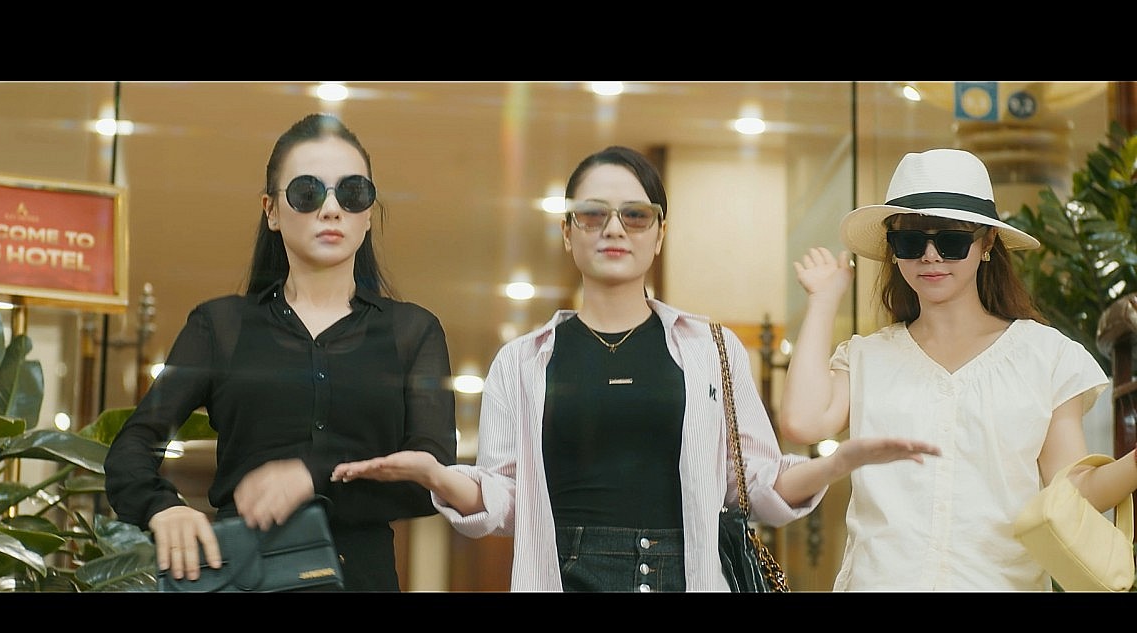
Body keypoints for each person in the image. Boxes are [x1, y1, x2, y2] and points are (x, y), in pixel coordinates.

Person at [331, 145, 938, 592]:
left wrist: (836, 463)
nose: (614, 229)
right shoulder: (523, 361)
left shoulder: (713, 348)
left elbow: (754, 486)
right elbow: (504, 498)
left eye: (636, 215)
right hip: (564, 576)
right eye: (592, 215)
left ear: (660, 233)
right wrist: (436, 476)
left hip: (687, 576)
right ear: (568, 233)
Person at [104, 113, 457, 592]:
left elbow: (432, 473)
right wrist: (162, 508)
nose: (331, 209)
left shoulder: (412, 332)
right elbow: (132, 446)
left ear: (369, 213)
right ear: (271, 210)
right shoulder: (221, 327)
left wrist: (315, 476)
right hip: (244, 578)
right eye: (307, 192)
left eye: (352, 193)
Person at [779, 147, 1137, 591]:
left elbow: (1073, 491)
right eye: (910, 242)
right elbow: (803, 421)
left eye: (951, 241)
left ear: (987, 244)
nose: (930, 256)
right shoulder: (868, 357)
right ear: (892, 250)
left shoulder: (1045, 356)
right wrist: (822, 301)